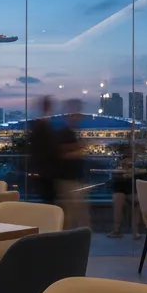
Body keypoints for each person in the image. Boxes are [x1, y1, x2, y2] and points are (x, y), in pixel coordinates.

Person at [54, 99, 89, 230]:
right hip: (68, 179)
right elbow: (62, 153)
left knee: (74, 212)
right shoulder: (65, 132)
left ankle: (72, 237)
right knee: (73, 212)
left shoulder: (68, 131)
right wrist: (79, 148)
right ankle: (71, 238)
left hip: (71, 178)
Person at [27, 96, 59, 204]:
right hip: (46, 171)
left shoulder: (40, 124)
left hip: (44, 170)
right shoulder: (42, 126)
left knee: (48, 199)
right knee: (49, 199)